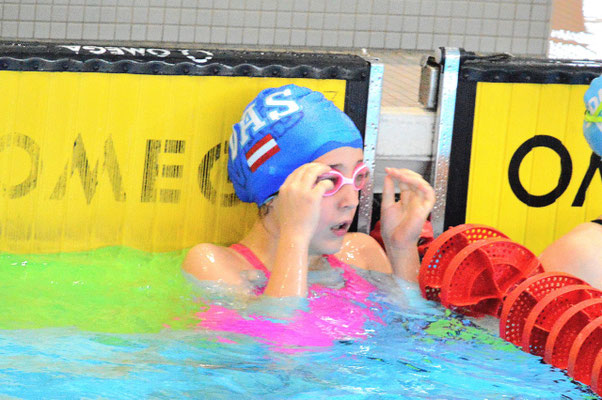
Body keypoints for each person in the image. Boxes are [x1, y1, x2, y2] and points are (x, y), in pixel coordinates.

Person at [182, 84, 435, 299]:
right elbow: (282, 338)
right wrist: (295, 236)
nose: (351, 201)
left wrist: (402, 248)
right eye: (329, 180)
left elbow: (411, 330)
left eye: (358, 176)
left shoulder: (360, 254)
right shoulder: (213, 265)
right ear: (276, 191)